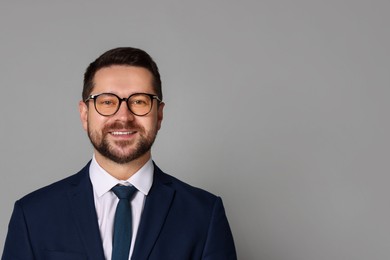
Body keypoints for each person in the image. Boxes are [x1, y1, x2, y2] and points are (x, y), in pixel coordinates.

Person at [2, 47, 237, 260]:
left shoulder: (204, 215)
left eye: (140, 101)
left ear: (159, 115)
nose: (123, 117)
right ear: (85, 115)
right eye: (106, 102)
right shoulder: (33, 215)